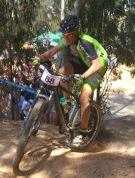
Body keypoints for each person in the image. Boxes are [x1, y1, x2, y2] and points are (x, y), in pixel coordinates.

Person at [33, 15, 108, 146]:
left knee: (84, 97)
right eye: (64, 35)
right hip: (85, 62)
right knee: (62, 72)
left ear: (76, 33)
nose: (66, 38)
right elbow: (50, 53)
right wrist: (38, 59)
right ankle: (67, 103)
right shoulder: (67, 40)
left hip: (98, 67)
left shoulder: (85, 42)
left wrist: (83, 77)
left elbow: (97, 65)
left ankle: (83, 133)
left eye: (68, 35)